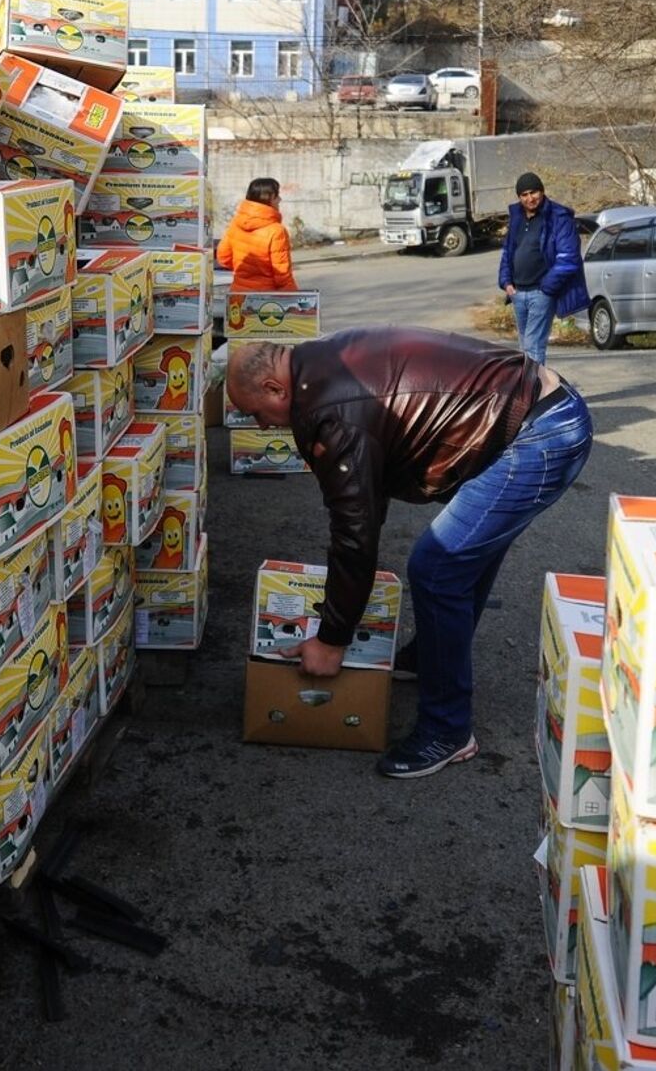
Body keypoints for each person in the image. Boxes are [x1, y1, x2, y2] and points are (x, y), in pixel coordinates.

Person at [226, 327, 592, 778]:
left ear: (273, 388)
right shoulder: (318, 363)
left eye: (255, 414)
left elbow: (354, 533)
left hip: (542, 434)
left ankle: (448, 730)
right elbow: (365, 505)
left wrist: (331, 639)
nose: (261, 426)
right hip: (534, 410)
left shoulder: (330, 412)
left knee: (437, 567)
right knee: (461, 555)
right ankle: (431, 658)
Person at [497, 172, 589, 363]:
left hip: (541, 293)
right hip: (518, 292)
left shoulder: (558, 217)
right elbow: (508, 251)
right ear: (519, 197)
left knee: (533, 347)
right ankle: (532, 390)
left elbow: (568, 257)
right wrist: (506, 282)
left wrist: (547, 288)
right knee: (525, 348)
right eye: (524, 195)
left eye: (533, 192)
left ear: (542, 191)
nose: (530, 198)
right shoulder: (517, 218)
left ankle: (534, 391)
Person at [217, 177, 299, 293]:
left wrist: (245, 270)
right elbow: (282, 275)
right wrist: (293, 298)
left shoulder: (236, 223)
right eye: (277, 196)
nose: (280, 200)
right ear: (269, 198)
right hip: (266, 299)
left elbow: (223, 257)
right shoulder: (276, 231)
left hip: (238, 294)